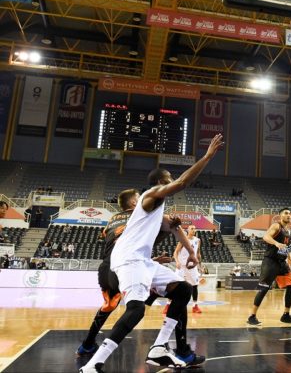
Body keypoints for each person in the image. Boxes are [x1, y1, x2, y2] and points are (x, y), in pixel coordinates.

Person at [79, 134, 223, 373]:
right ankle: (93, 365)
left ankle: (158, 348)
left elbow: (174, 229)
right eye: (168, 179)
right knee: (136, 310)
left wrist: (192, 253)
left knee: (183, 290)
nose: (172, 181)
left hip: (143, 262)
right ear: (159, 182)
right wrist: (207, 157)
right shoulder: (150, 196)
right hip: (128, 260)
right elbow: (182, 183)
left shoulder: (156, 210)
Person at [76, 189, 176, 357]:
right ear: (134, 203)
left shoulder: (112, 219)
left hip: (107, 268)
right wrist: (168, 229)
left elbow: (117, 241)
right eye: (139, 198)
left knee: (108, 306)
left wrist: (151, 260)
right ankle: (167, 347)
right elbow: (147, 238)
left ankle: (87, 345)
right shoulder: (140, 216)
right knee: (174, 290)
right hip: (126, 265)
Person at [247, 208, 291, 326]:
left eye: (290, 214)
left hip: (282, 262)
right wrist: (276, 243)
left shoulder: (287, 230)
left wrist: (289, 257)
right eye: (286, 213)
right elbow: (266, 237)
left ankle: (286, 315)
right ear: (280, 216)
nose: (289, 215)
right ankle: (252, 316)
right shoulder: (276, 226)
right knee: (264, 288)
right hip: (270, 261)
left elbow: (285, 246)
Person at [171, 225, 202, 314]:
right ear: (188, 230)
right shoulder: (183, 240)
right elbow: (175, 252)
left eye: (195, 229)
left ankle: (195, 306)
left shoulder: (197, 240)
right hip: (182, 266)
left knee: (195, 286)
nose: (194, 230)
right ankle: (168, 305)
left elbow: (198, 253)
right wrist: (177, 262)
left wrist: (200, 266)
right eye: (192, 228)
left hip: (192, 267)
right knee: (174, 285)